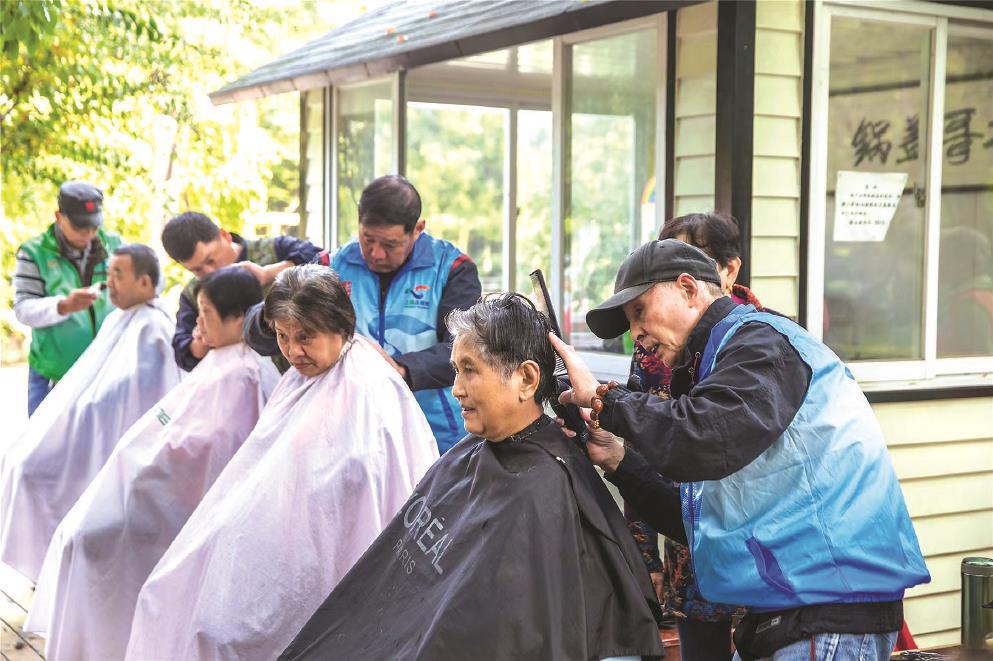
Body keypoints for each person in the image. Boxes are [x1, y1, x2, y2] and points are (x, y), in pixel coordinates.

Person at [551, 239, 931, 661]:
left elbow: (702, 441)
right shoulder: (718, 369)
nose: (635, 333)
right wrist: (617, 459)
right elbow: (698, 521)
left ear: (688, 288)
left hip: (828, 612)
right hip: (791, 613)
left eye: (640, 310)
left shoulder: (761, 343)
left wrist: (604, 399)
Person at [279, 294, 663, 661]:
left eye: (470, 370)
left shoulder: (543, 487)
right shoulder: (470, 454)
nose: (456, 389)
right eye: (456, 370)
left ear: (526, 379)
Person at [126, 265, 439, 661]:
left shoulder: (371, 388)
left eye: (305, 336)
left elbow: (363, 484)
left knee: (232, 633)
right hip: (277, 533)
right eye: (282, 336)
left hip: (330, 553)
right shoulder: (303, 375)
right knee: (170, 592)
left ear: (340, 326)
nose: (292, 352)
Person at [24, 266, 280, 661]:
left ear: (239, 318)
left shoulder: (244, 374)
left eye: (206, 314)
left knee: (89, 546)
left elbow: (213, 448)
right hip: (150, 485)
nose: (197, 325)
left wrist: (150, 464)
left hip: (176, 507)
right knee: (75, 538)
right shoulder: (221, 359)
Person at [243, 175, 482, 453]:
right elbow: (258, 333)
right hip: (349, 434)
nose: (376, 253)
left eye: (390, 244)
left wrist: (401, 370)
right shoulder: (331, 266)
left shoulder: (452, 268)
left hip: (436, 432)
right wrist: (273, 317)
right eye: (367, 239)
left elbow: (463, 349)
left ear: (417, 229)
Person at [0, 244, 181, 582]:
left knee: (38, 471)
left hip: (111, 438)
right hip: (86, 425)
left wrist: (89, 409)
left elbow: (146, 396)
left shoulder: (153, 328)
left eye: (118, 275)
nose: (109, 283)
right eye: (108, 274)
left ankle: (63, 568)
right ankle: (49, 568)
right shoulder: (119, 318)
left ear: (145, 283)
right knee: (20, 464)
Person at [627, 213, 759, 660]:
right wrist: (645, 558)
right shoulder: (651, 351)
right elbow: (640, 454)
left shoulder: (761, 339)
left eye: (692, 258)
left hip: (757, 557)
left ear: (728, 269)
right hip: (686, 546)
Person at [13, 181, 123, 415]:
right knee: (44, 437)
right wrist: (62, 306)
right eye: (80, 227)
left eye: (93, 227)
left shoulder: (115, 246)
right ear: (58, 217)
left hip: (105, 372)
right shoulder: (34, 253)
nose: (88, 234)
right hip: (53, 374)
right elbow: (23, 309)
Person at [161, 211, 320, 371]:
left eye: (210, 260)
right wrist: (205, 333)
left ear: (224, 236)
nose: (210, 272)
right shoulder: (193, 295)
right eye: (197, 270)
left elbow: (321, 259)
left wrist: (268, 274)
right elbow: (183, 354)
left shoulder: (275, 250)